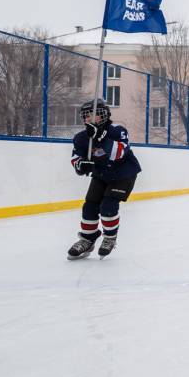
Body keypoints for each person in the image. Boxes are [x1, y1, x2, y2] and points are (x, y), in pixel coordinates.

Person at [67, 98, 142, 259]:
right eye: (86, 116)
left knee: (108, 206)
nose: (89, 118)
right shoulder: (81, 138)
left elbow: (120, 152)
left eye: (93, 114)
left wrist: (101, 137)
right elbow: (76, 156)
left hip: (123, 173)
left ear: (104, 115)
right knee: (90, 207)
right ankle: (88, 239)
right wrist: (80, 165)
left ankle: (109, 237)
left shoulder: (117, 130)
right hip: (101, 173)